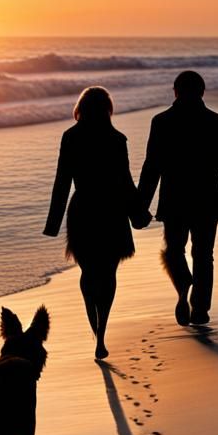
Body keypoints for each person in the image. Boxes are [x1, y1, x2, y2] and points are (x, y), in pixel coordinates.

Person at [44, 86, 151, 360]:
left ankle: (95, 330)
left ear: (81, 107)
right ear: (107, 109)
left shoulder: (71, 137)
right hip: (112, 209)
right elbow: (126, 182)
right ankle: (101, 331)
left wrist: (53, 223)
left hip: (83, 210)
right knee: (109, 273)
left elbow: (62, 181)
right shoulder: (117, 139)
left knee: (88, 273)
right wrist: (139, 214)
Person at [137, 70, 218, 326]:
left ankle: (184, 286)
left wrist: (140, 205)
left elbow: (152, 166)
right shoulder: (216, 122)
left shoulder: (161, 121)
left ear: (175, 91)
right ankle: (200, 309)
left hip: (175, 199)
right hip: (208, 199)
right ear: (202, 92)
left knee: (174, 251)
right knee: (204, 255)